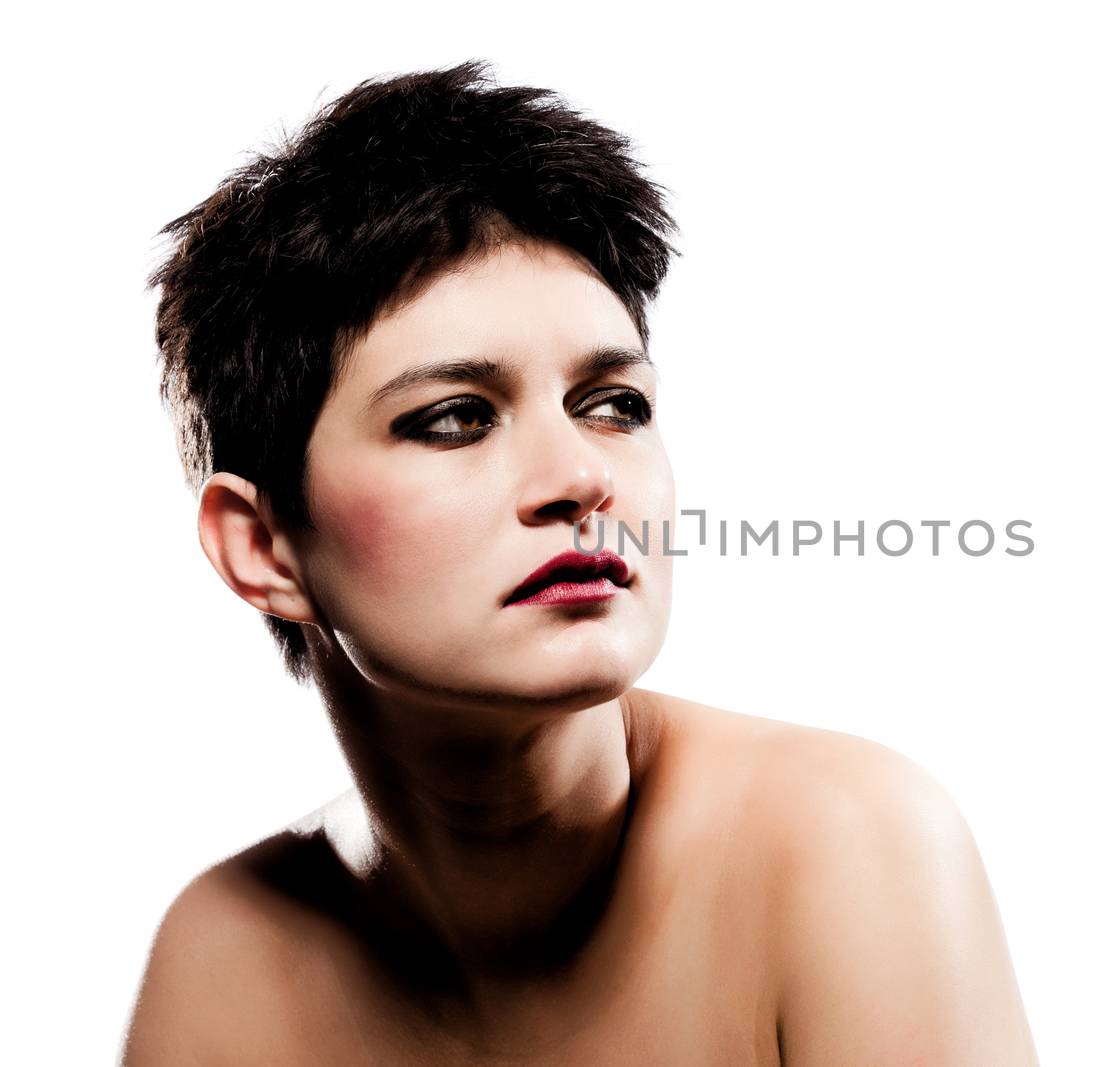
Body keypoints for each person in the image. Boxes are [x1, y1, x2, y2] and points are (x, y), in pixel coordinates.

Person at [121, 60, 1038, 1065]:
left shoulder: (849, 844)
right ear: (261, 546)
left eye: (614, 403)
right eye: (455, 419)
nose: (579, 476)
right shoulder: (224, 960)